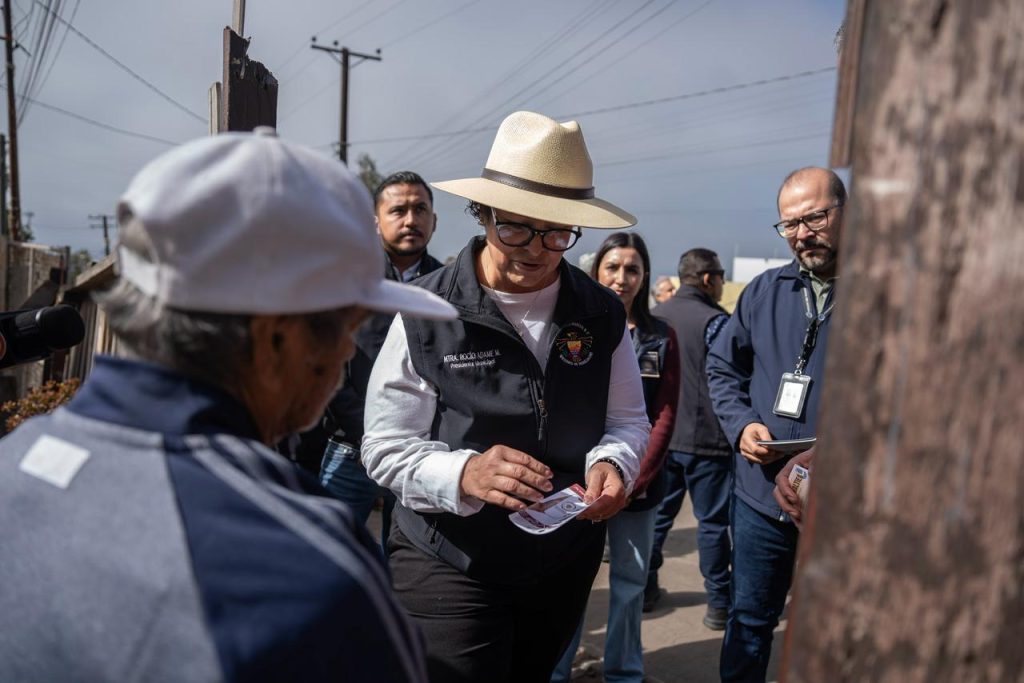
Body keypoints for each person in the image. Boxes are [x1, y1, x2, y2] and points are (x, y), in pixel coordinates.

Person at [0, 128, 458, 682]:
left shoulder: (16, 459)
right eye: (351, 329)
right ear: (276, 340)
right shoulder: (303, 572)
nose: (348, 356)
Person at [361, 110, 651, 683]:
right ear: (484, 213)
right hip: (448, 557)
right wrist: (463, 473)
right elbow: (385, 445)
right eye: (515, 227)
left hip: (561, 561)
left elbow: (627, 421)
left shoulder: (601, 312)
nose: (536, 250)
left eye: (557, 233)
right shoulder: (426, 308)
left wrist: (615, 463)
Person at [707, 166, 846, 682]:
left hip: (841, 504)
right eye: (789, 224)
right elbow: (723, 368)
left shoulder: (890, 294)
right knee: (748, 623)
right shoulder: (764, 291)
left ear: (847, 211)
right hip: (760, 497)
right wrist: (742, 425)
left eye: (815, 217)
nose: (802, 234)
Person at [552, 232, 679, 683]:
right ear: (596, 270)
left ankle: (624, 671)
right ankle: (557, 669)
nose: (622, 278)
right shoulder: (572, 327)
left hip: (638, 487)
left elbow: (663, 413)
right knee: (568, 583)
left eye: (632, 269)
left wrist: (634, 476)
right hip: (577, 484)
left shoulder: (660, 337)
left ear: (644, 277)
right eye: (613, 267)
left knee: (630, 582)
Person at [317, 171, 443, 534]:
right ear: (375, 222)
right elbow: (329, 367)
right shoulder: (347, 280)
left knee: (406, 560)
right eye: (398, 210)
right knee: (329, 545)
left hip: (421, 452)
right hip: (351, 446)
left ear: (433, 221)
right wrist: (371, 432)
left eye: (420, 209)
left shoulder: (447, 287)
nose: (410, 220)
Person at [645, 248, 733, 630]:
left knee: (658, 521)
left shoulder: (656, 317)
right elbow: (731, 379)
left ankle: (646, 590)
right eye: (722, 277)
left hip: (664, 439)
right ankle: (718, 604)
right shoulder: (717, 322)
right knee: (712, 525)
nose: (724, 284)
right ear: (709, 279)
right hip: (708, 442)